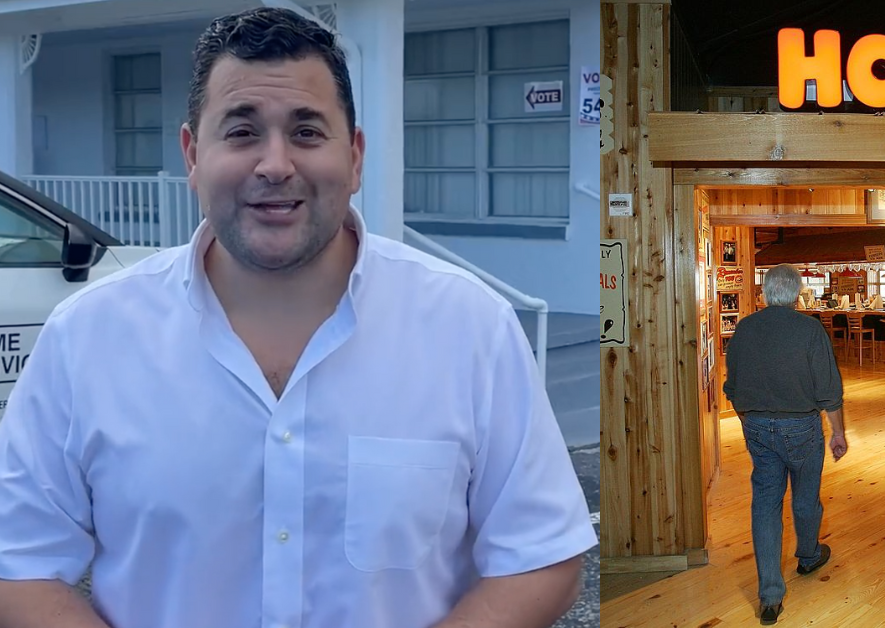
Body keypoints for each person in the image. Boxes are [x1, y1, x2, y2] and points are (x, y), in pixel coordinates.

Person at [0, 8, 595, 628]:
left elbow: (540, 555)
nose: (275, 164)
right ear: (192, 155)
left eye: (307, 132)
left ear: (356, 157)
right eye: (241, 132)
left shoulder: (472, 329)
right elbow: (17, 565)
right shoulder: (86, 338)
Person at [723, 264, 848, 626]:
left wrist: (749, 419)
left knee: (765, 503)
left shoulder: (745, 328)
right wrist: (838, 433)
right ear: (796, 294)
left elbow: (733, 387)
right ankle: (808, 556)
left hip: (757, 425)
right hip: (802, 427)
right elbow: (829, 389)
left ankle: (770, 596)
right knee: (806, 496)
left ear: (764, 292)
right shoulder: (809, 329)